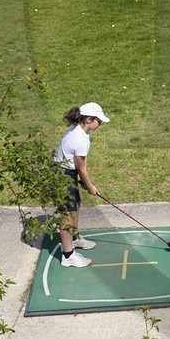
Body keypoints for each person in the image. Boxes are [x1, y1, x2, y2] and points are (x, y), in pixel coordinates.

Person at [52, 102, 109, 268]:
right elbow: (82, 169)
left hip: (67, 172)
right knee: (67, 215)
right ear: (89, 119)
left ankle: (75, 239)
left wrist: (83, 183)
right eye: (99, 120)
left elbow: (77, 168)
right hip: (61, 175)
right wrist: (90, 186)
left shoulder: (82, 131)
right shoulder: (79, 138)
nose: (101, 124)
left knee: (75, 205)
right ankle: (68, 256)